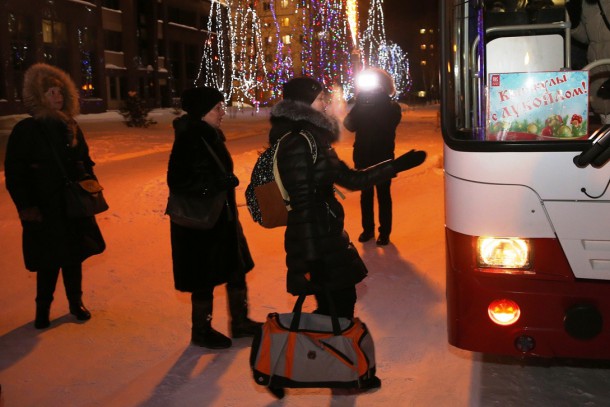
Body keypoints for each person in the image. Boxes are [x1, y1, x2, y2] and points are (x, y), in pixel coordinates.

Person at [270, 76, 426, 325]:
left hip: (327, 235)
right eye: (320, 98)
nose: (325, 102)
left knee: (338, 308)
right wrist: (312, 258)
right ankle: (321, 356)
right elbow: (302, 205)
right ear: (304, 103)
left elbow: (351, 180)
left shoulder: (314, 138)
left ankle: (326, 354)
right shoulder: (298, 142)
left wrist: (395, 165)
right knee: (337, 311)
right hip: (317, 242)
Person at [4, 63, 106, 329]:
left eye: (60, 92)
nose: (57, 97)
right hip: (45, 207)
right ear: (38, 96)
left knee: (74, 256)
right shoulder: (27, 130)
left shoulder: (71, 126)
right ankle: (43, 309)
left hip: (72, 205)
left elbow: (84, 160)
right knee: (48, 260)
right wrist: (27, 206)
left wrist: (89, 184)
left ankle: (75, 303)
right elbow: (15, 174)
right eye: (50, 92)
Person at [167, 86, 261, 349]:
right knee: (203, 276)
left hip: (222, 217)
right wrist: (216, 185)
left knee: (236, 268)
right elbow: (177, 181)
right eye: (217, 108)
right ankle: (201, 330)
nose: (222, 112)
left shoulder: (209, 135)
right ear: (202, 112)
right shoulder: (190, 138)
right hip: (202, 222)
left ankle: (240, 322)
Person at [343, 68, 402, 246]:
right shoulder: (362, 104)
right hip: (362, 155)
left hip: (383, 155)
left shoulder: (391, 106)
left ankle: (384, 232)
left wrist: (377, 104)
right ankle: (367, 229)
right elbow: (349, 125)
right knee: (365, 195)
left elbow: (387, 125)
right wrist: (360, 105)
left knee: (384, 195)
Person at [571, 0, 610, 123]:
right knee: (605, 117)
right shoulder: (587, 4)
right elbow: (586, 37)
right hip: (597, 67)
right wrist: (574, 22)